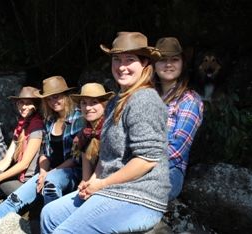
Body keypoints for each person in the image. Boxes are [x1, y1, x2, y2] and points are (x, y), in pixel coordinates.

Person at [40, 32, 171, 233]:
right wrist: (92, 181)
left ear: (145, 63)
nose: (121, 66)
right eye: (116, 60)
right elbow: (107, 154)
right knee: (49, 215)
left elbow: (147, 159)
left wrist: (102, 183)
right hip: (111, 190)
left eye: (130, 60)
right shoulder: (115, 102)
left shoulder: (145, 99)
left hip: (139, 196)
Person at [0, 76, 85, 226]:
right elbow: (45, 153)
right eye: (49, 99)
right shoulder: (50, 120)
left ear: (66, 96)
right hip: (48, 172)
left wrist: (50, 173)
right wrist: (43, 172)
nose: (53, 102)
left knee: (51, 183)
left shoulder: (78, 117)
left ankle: (52, 227)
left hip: (71, 172)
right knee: (15, 198)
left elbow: (77, 157)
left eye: (56, 97)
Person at [154, 37, 204, 200]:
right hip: (135, 166)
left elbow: (177, 148)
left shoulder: (188, 100)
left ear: (182, 64)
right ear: (154, 65)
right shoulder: (148, 96)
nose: (168, 64)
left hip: (169, 172)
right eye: (162, 60)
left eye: (174, 59)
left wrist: (139, 168)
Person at [0, 86, 44, 214]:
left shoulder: (37, 126)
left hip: (28, 185)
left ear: (36, 105)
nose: (24, 106)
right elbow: (7, 160)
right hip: (19, 181)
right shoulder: (21, 126)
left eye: (28, 103)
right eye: (21, 102)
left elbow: (24, 164)